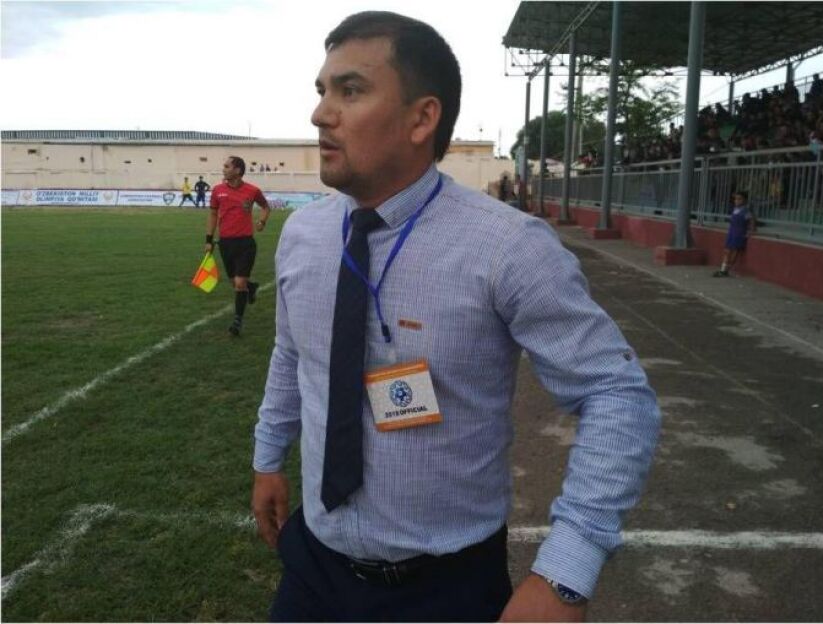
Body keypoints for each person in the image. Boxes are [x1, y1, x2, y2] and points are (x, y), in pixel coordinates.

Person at [251, 11, 660, 623]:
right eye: (322, 90)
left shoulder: (508, 247)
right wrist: (268, 457)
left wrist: (564, 574)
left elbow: (616, 393)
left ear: (422, 118)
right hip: (314, 567)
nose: (319, 114)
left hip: (445, 588)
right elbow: (292, 354)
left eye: (350, 90)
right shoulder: (302, 234)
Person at [204, 156, 270, 336]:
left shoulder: (252, 190)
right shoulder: (217, 191)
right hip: (225, 243)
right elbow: (212, 215)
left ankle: (237, 321)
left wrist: (262, 221)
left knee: (240, 283)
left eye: (227, 166)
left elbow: (265, 207)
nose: (223, 169)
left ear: (238, 170)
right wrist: (209, 240)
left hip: (245, 243)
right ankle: (252, 286)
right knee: (235, 282)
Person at [713, 190, 755, 277]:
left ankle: (727, 269)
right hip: (731, 232)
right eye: (736, 199)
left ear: (745, 200)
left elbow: (751, 221)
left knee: (735, 251)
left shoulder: (745, 211)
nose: (737, 201)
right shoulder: (735, 209)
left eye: (740, 199)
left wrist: (750, 231)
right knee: (727, 251)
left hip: (739, 233)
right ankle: (723, 269)